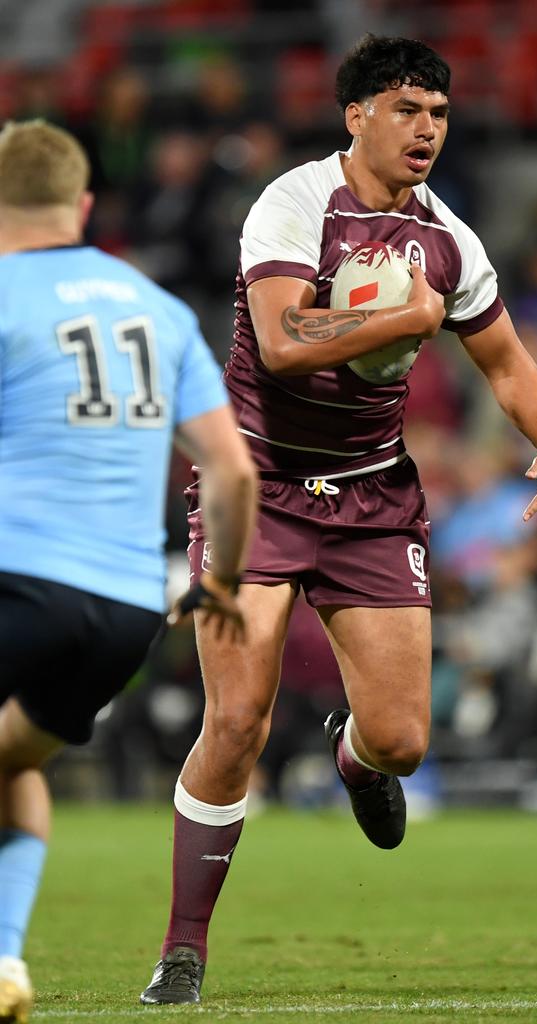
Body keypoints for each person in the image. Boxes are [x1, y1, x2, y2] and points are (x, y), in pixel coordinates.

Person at [140, 34, 537, 1006]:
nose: (426, 130)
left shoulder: (449, 238)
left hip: (372, 495)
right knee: (239, 717)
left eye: (439, 114)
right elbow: (288, 341)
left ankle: (352, 753)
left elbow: (506, 363)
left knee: (402, 740)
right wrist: (401, 321)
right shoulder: (294, 204)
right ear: (357, 116)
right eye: (407, 109)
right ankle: (183, 948)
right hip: (255, 484)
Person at [0, 119, 257, 1023]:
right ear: (81, 205)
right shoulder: (158, 305)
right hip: (123, 614)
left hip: (16, 583)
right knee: (13, 763)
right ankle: (2, 961)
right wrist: (220, 583)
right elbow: (231, 471)